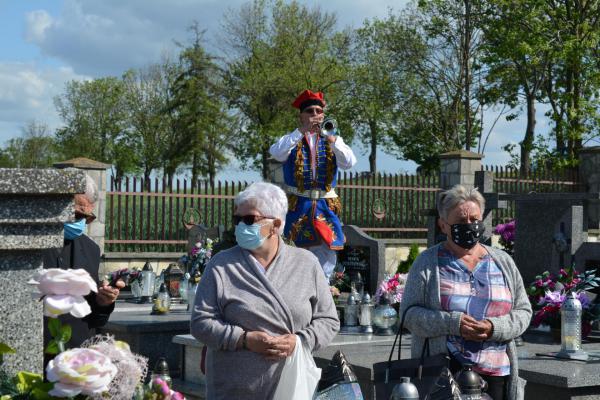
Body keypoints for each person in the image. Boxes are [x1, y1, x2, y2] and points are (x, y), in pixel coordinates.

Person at [191, 182, 339, 400]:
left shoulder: (306, 264)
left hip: (291, 386)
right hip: (233, 391)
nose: (241, 226)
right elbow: (200, 322)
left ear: (276, 225)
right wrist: (243, 339)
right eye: (237, 220)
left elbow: (329, 320)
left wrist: (299, 341)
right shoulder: (221, 264)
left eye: (249, 219)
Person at [400, 185, 532, 400]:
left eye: (475, 219)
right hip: (445, 374)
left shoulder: (503, 261)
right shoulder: (427, 263)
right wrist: (453, 323)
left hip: (497, 374)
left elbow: (524, 311)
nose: (469, 225)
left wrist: (493, 327)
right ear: (443, 225)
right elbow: (409, 315)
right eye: (461, 221)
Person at [269, 89, 357, 281]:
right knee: (294, 248)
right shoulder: (292, 139)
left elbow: (349, 162)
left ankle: (323, 287)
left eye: (318, 111)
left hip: (325, 205)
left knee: (328, 249)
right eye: (310, 111)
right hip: (299, 204)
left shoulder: (334, 139)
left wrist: (332, 139)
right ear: (301, 116)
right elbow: (276, 153)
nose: (315, 115)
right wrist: (301, 132)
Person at [43, 175, 123, 351]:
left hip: (76, 353)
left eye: (87, 218)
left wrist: (103, 303)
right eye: (77, 214)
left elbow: (94, 318)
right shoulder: (29, 244)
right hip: (35, 350)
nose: (80, 223)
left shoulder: (91, 250)